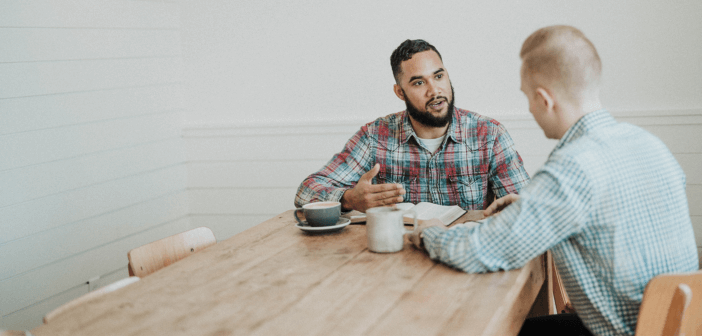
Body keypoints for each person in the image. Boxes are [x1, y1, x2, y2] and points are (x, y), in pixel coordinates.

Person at [409, 25, 699, 336]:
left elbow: (481, 250)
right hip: (682, 324)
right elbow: (620, 212)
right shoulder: (647, 143)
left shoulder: (570, 168)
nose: (530, 108)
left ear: (544, 99)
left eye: (527, 97)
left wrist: (431, 234)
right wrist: (532, 207)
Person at [294, 39, 530, 212]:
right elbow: (306, 191)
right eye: (419, 82)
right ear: (400, 92)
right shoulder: (375, 137)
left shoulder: (489, 135)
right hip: (397, 261)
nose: (435, 90)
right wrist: (348, 199)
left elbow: (526, 211)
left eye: (439, 76)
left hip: (467, 259)